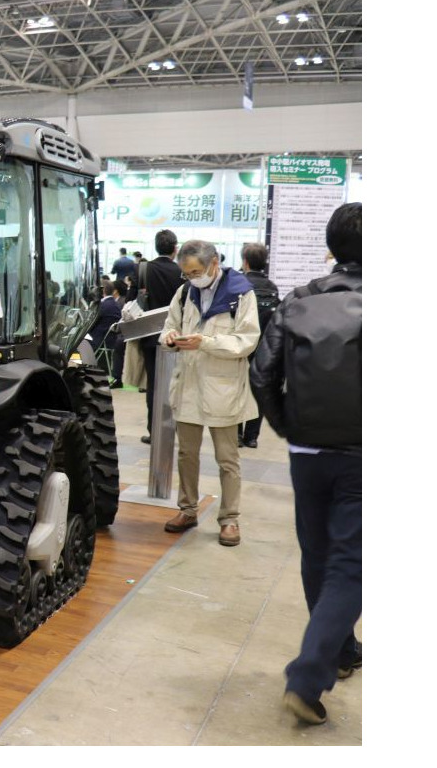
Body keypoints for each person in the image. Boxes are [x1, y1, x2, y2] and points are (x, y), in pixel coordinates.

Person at [250, 203, 362, 726]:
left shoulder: (299, 299)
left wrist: (289, 430)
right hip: (365, 455)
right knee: (351, 565)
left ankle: (341, 650)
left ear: (330, 245)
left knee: (318, 555)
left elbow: (262, 374)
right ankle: (308, 674)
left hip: (307, 453)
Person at [158, 239, 259, 547]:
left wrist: (206, 342)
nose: (192, 278)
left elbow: (247, 341)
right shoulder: (185, 292)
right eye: (187, 273)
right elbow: (166, 328)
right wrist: (171, 338)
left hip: (223, 387)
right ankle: (187, 510)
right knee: (187, 454)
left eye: (196, 271)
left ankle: (229, 519)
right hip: (188, 385)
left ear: (214, 263)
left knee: (227, 458)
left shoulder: (241, 293)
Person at [129, 230, 184, 443]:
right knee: (175, 383)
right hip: (176, 336)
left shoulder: (143, 268)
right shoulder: (181, 271)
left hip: (149, 336)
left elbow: (131, 300)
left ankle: (154, 432)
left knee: (153, 385)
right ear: (175, 248)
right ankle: (173, 429)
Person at [238, 242, 279, 448]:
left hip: (241, 345)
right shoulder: (272, 287)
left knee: (237, 388)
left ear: (245, 262)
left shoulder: (238, 284)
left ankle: (235, 434)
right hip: (263, 348)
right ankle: (251, 436)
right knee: (259, 391)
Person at [88, 281, 124, 386]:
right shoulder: (115, 304)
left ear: (102, 290)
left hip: (99, 340)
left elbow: (90, 324)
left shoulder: (102, 306)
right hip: (110, 339)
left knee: (80, 341)